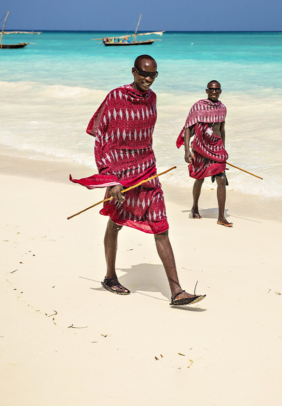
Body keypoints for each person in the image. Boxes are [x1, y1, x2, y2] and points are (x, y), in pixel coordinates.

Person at [70, 55, 205, 306]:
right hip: (120, 173)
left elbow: (145, 135)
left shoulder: (152, 98)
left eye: (153, 74)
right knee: (116, 222)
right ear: (133, 71)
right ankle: (110, 277)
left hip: (147, 170)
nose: (148, 79)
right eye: (144, 73)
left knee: (161, 227)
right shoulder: (116, 97)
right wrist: (111, 178)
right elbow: (103, 139)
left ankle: (177, 291)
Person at [176, 80, 232, 227]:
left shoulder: (222, 108)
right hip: (200, 147)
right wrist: (187, 150)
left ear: (220, 91)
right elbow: (188, 127)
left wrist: (223, 150)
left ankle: (221, 217)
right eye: (211, 90)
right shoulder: (199, 106)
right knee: (199, 178)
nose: (214, 92)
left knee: (221, 179)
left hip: (217, 148)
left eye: (217, 90)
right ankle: (194, 207)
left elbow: (222, 129)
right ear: (206, 91)